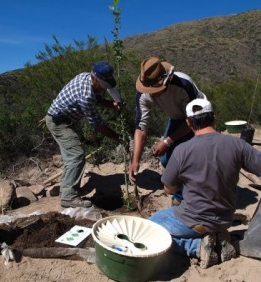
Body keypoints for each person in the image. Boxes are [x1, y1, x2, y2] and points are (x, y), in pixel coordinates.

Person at [150, 98, 261, 268]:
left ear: (188, 123)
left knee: (151, 226)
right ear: (214, 117)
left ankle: (196, 247)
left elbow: (169, 189)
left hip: (194, 219)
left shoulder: (182, 150)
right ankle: (216, 237)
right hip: (225, 218)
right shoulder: (238, 145)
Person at [46, 61, 122, 208]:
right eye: (102, 85)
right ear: (94, 79)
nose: (103, 88)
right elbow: (97, 126)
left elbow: (97, 99)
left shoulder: (86, 76)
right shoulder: (86, 95)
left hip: (64, 118)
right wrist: (117, 137)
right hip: (59, 122)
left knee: (72, 157)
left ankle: (67, 190)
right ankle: (68, 197)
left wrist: (112, 105)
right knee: (76, 155)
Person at [129, 56, 206, 201]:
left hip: (200, 118)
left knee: (194, 158)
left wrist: (167, 142)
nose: (152, 92)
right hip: (178, 118)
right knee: (166, 159)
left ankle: (193, 196)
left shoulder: (183, 84)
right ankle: (182, 192)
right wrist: (135, 161)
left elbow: (191, 120)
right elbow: (141, 128)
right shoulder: (143, 94)